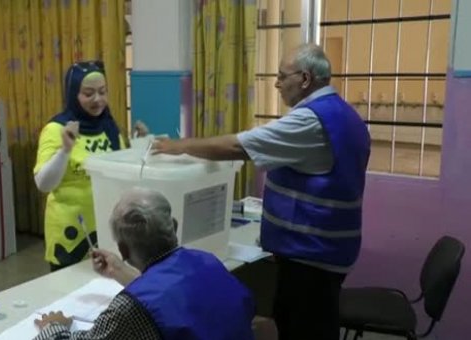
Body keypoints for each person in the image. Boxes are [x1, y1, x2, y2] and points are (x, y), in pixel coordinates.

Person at [153, 44, 371, 340]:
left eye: (282, 76)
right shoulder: (344, 114)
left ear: (305, 79)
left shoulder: (310, 121)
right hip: (328, 250)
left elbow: (237, 147)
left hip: (311, 257)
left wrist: (178, 146)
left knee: (303, 330)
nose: (277, 84)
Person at [33, 188, 256, 340]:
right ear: (174, 226)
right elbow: (173, 296)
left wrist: (53, 327)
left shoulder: (130, 309)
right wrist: (120, 271)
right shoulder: (208, 261)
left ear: (122, 249)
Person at [34, 60, 147, 271]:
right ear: (73, 95)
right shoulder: (56, 129)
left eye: (102, 92)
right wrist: (64, 151)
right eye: (88, 93)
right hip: (72, 234)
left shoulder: (109, 125)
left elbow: (120, 173)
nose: (98, 99)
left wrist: (139, 146)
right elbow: (43, 183)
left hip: (109, 228)